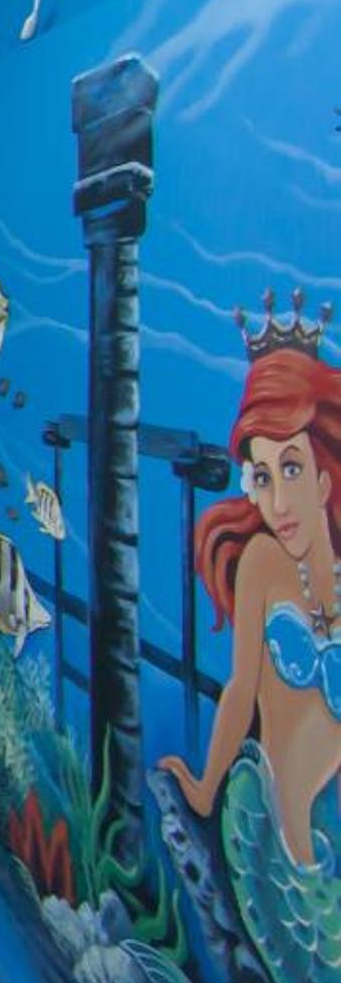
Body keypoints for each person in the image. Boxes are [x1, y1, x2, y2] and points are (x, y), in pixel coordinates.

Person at [163, 319, 341, 870]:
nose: (278, 503)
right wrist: (204, 789)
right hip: (268, 834)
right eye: (262, 477)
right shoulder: (263, 561)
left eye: (291, 469)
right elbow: (241, 690)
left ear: (323, 481)